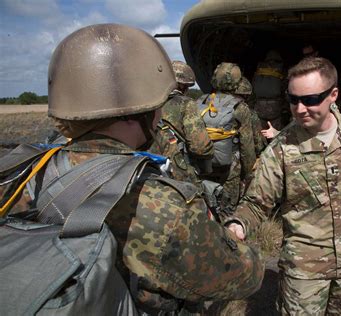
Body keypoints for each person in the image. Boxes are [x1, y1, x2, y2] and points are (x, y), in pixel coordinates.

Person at [0, 24, 263, 315]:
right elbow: (242, 277)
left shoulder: (17, 172)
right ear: (145, 111)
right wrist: (231, 238)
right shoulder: (159, 205)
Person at [226, 56, 341, 315]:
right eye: (294, 100)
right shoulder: (281, 148)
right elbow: (256, 203)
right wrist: (237, 225)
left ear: (333, 94)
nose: (301, 108)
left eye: (311, 99)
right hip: (305, 269)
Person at [197, 62, 257, 216]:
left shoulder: (201, 101)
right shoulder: (240, 107)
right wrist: (248, 174)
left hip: (203, 163)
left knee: (205, 203)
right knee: (226, 210)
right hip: (230, 169)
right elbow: (247, 145)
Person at [151, 60, 214, 184]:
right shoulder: (186, 104)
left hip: (144, 166)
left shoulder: (147, 100)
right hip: (174, 172)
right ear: (183, 86)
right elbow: (200, 147)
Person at [252, 50, 291, 134]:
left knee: (260, 134)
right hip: (275, 108)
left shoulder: (259, 70)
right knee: (275, 134)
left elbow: (253, 87)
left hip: (259, 107)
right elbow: (285, 89)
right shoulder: (281, 70)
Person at [234, 76, 268, 157]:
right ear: (246, 95)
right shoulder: (249, 113)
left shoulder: (210, 107)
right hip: (237, 160)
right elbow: (259, 143)